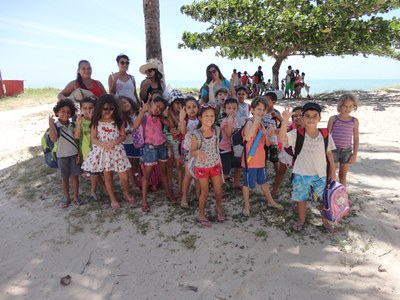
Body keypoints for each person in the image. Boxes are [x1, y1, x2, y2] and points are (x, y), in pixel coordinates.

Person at [279, 102, 336, 233]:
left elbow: (329, 154)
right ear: (303, 118)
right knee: (301, 199)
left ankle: (325, 221)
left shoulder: (325, 134)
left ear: (319, 118)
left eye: (315, 116)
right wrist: (285, 120)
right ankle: (301, 220)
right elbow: (282, 137)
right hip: (301, 174)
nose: (311, 119)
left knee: (320, 200)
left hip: (320, 175)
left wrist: (332, 172)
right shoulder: (296, 134)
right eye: (308, 116)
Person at [82, 94, 134, 209]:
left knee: (124, 176)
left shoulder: (118, 121)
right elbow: (94, 138)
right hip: (103, 153)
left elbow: (122, 136)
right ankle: (113, 198)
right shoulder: (96, 121)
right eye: (105, 108)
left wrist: (113, 142)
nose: (108, 111)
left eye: (111, 109)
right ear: (100, 107)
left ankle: (126, 192)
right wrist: (103, 145)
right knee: (108, 177)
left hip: (117, 152)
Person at [241, 96, 283, 217]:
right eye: (258, 109)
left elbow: (267, 144)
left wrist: (267, 134)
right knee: (247, 184)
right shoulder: (250, 122)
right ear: (252, 110)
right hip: (250, 160)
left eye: (263, 110)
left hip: (260, 160)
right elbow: (248, 137)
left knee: (263, 182)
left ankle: (270, 201)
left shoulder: (262, 125)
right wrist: (256, 123)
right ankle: (247, 205)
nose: (261, 112)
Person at [133, 96, 175, 212]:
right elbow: (135, 126)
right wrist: (143, 110)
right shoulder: (145, 116)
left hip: (162, 146)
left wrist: (168, 113)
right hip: (150, 148)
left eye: (161, 109)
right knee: (147, 175)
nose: (158, 110)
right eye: (157, 106)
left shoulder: (159, 117)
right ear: (151, 103)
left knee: (163, 172)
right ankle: (144, 200)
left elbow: (171, 125)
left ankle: (168, 194)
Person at [191, 103, 224, 227]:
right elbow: (192, 153)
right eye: (206, 115)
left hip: (215, 165)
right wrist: (198, 152)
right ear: (200, 117)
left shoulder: (216, 130)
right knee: (204, 192)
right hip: (202, 168)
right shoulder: (196, 135)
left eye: (212, 115)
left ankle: (218, 208)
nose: (209, 118)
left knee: (218, 191)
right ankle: (201, 214)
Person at [48, 99, 82, 208]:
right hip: (61, 156)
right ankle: (67, 198)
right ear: (57, 112)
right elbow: (53, 139)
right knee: (65, 178)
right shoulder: (56, 126)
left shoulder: (72, 125)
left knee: (75, 177)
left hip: (73, 154)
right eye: (62, 111)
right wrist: (51, 124)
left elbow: (77, 138)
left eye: (68, 112)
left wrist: (79, 153)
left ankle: (76, 197)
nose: (65, 114)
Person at [74, 97, 103, 201]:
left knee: (97, 171)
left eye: (90, 108)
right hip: (86, 151)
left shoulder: (98, 120)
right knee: (94, 172)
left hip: (98, 150)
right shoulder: (79, 120)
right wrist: (79, 125)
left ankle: (102, 187)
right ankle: (93, 191)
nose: (88, 111)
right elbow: (77, 137)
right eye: (85, 108)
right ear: (81, 109)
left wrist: (92, 121)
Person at [327, 94, 359, 187]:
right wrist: (326, 150)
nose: (347, 108)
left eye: (350, 106)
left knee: (342, 176)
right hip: (333, 151)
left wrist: (354, 154)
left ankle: (342, 196)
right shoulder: (333, 119)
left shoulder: (354, 121)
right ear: (340, 106)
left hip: (347, 152)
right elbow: (327, 136)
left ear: (354, 107)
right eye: (345, 106)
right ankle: (330, 194)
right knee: (331, 174)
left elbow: (356, 138)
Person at [271, 106, 303, 195]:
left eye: (301, 115)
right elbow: (282, 131)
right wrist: (273, 131)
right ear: (292, 118)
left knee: (298, 174)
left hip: (299, 156)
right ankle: (275, 188)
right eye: (295, 116)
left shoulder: (307, 130)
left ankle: (297, 190)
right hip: (287, 153)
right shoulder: (290, 127)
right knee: (280, 172)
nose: (298, 117)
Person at [179, 96, 200, 208]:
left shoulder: (201, 119)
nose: (192, 109)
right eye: (188, 107)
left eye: (194, 106)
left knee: (197, 172)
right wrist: (181, 119)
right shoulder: (185, 120)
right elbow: (182, 132)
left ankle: (198, 195)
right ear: (184, 109)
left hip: (199, 150)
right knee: (188, 175)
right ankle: (184, 197)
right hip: (187, 150)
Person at [119, 96, 142, 193]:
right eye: (121, 105)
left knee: (136, 163)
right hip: (127, 143)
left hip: (139, 142)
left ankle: (137, 179)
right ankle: (134, 184)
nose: (124, 105)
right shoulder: (122, 118)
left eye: (125, 102)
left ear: (130, 101)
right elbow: (120, 131)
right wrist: (126, 131)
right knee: (129, 165)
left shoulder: (139, 112)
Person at [165, 90, 185, 198]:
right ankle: (170, 187)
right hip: (169, 145)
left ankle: (180, 188)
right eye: (176, 103)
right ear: (171, 103)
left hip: (178, 145)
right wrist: (170, 114)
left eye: (181, 103)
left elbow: (178, 124)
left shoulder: (182, 115)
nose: (179, 105)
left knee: (178, 166)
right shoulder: (166, 114)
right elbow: (171, 125)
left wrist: (171, 114)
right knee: (169, 166)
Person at [219, 97, 242, 188]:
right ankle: (218, 188)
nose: (232, 110)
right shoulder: (225, 121)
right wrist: (229, 121)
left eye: (234, 108)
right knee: (225, 173)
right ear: (225, 109)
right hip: (225, 151)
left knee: (240, 165)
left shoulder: (235, 120)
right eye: (229, 108)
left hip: (234, 149)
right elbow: (229, 134)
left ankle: (236, 183)